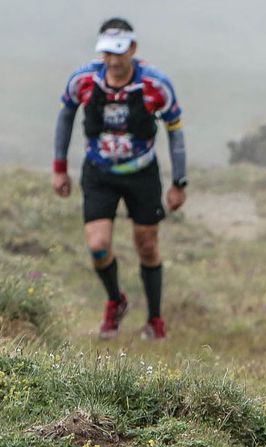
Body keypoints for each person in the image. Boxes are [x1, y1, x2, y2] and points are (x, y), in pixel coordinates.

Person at [53, 18, 188, 340]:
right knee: (98, 246)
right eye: (107, 54)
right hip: (98, 172)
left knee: (147, 245)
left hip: (142, 173)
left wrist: (179, 182)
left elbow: (175, 132)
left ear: (133, 49)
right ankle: (116, 300)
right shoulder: (83, 80)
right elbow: (65, 116)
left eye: (119, 53)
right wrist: (60, 167)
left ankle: (155, 320)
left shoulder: (156, 85)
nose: (113, 61)